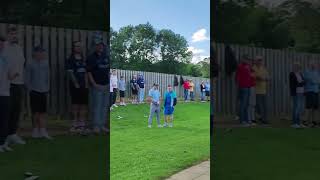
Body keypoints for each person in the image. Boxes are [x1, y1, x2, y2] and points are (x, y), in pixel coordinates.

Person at [3, 26, 26, 145]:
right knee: (8, 110)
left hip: (19, 83)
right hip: (8, 83)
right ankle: (4, 136)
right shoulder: (4, 48)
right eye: (12, 34)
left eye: (15, 34)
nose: (14, 36)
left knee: (16, 110)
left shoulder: (19, 48)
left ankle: (12, 134)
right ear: (7, 35)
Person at [25, 46, 52, 139]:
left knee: (43, 112)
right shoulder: (30, 63)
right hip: (34, 91)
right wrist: (30, 89)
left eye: (43, 52)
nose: (42, 54)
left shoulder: (46, 63)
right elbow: (27, 78)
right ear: (35, 53)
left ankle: (43, 131)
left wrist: (47, 88)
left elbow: (48, 77)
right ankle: (35, 130)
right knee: (35, 112)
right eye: (40, 52)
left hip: (44, 91)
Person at [86, 39, 109, 134]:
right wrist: (94, 84)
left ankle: (102, 125)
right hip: (97, 86)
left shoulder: (106, 57)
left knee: (104, 106)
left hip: (106, 85)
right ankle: (95, 125)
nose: (100, 47)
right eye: (98, 45)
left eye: (102, 45)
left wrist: (109, 84)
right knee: (96, 106)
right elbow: (89, 72)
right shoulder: (91, 58)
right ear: (95, 47)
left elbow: (108, 71)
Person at [66, 41, 89, 133]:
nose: (78, 48)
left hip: (84, 86)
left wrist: (87, 84)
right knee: (75, 105)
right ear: (73, 48)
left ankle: (81, 124)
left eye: (79, 46)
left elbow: (87, 72)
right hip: (75, 85)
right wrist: (75, 83)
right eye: (76, 46)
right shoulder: (70, 59)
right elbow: (70, 72)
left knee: (83, 105)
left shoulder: (84, 59)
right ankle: (74, 124)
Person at [0, 35, 18, 152]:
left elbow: (9, 76)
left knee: (5, 119)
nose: (1, 46)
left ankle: (2, 143)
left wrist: (14, 75)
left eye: (2, 44)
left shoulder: (5, 58)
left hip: (5, 93)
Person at [235, 55, 252, 126]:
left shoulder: (249, 67)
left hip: (248, 86)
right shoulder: (240, 67)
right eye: (246, 59)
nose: (247, 60)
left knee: (247, 104)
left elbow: (251, 76)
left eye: (248, 59)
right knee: (243, 104)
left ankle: (246, 120)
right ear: (243, 59)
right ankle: (242, 120)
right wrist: (239, 85)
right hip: (243, 86)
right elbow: (237, 77)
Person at [252, 56, 269, 124]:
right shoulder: (253, 68)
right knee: (258, 106)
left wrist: (264, 78)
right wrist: (263, 78)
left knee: (264, 105)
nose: (260, 61)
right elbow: (256, 78)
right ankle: (258, 118)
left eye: (260, 60)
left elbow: (267, 77)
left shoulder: (263, 68)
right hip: (256, 90)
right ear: (255, 61)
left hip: (263, 90)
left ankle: (264, 119)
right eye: (258, 60)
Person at [303, 62, 320, 127]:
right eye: (311, 65)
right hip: (309, 91)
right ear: (309, 65)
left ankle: (314, 122)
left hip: (316, 91)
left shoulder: (317, 72)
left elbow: (318, 81)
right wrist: (316, 81)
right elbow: (311, 80)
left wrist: (316, 81)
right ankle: (305, 122)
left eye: (314, 65)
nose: (313, 66)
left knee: (315, 107)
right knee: (308, 107)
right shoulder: (307, 72)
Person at [289, 63, 305, 128]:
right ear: (294, 67)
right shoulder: (292, 74)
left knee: (300, 108)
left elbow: (304, 82)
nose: (297, 68)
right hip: (295, 93)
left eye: (298, 67)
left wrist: (301, 83)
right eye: (296, 67)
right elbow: (294, 84)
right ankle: (294, 123)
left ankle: (299, 123)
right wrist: (301, 83)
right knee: (296, 107)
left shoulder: (300, 74)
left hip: (301, 92)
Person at [248, 59, 257, 125]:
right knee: (249, 104)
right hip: (249, 87)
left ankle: (252, 119)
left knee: (253, 104)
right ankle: (249, 119)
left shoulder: (253, 71)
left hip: (253, 87)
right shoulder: (248, 70)